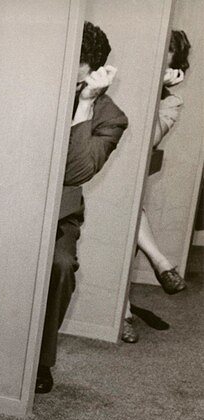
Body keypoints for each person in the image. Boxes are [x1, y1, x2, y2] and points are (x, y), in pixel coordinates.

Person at [36, 22, 128, 394]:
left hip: (60, 214)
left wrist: (86, 102)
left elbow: (75, 171)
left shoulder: (110, 117)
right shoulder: (36, 86)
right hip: (15, 201)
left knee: (59, 266)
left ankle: (40, 362)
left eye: (74, 61)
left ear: (92, 70)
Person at [122, 29, 193, 342]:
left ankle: (121, 310)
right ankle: (161, 262)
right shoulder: (125, 79)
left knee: (128, 214)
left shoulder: (171, 103)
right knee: (130, 208)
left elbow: (146, 141)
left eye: (169, 50)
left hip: (124, 177)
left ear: (174, 63)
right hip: (100, 166)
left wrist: (157, 92)